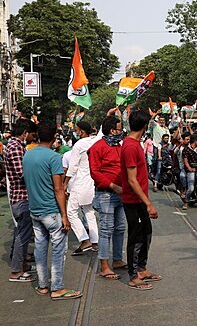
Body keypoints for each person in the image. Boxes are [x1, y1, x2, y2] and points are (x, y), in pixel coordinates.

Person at [23, 120, 83, 300]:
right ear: (55, 136)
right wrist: (65, 216)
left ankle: (43, 285)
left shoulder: (28, 155)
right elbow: (59, 189)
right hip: (51, 211)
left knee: (40, 248)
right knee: (58, 250)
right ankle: (57, 288)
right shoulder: (53, 158)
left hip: (35, 210)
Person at [120, 109, 160, 291]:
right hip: (133, 201)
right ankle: (133, 275)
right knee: (136, 237)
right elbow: (131, 179)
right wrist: (148, 203)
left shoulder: (135, 144)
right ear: (145, 126)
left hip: (140, 200)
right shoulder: (129, 146)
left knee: (146, 233)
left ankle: (142, 269)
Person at [88, 115, 127, 280]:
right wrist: (112, 185)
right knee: (106, 230)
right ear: (112, 130)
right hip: (106, 194)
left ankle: (117, 259)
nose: (121, 132)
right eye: (119, 129)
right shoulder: (97, 147)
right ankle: (104, 266)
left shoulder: (119, 146)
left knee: (120, 228)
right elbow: (95, 173)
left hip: (121, 194)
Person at [5, 119, 37, 283]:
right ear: (25, 133)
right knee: (23, 235)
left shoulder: (14, 146)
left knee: (22, 233)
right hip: (21, 197)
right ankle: (16, 271)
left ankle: (22, 265)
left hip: (21, 197)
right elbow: (22, 174)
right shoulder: (16, 147)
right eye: (30, 134)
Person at [64, 121, 99, 256]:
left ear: (81, 132)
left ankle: (85, 240)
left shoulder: (79, 145)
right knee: (89, 212)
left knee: (71, 212)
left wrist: (65, 183)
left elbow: (72, 168)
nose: (76, 132)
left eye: (77, 130)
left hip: (80, 183)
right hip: (91, 182)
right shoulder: (95, 140)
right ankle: (94, 241)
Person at [182, 133, 197, 210]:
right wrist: (190, 169)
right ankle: (186, 202)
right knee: (191, 188)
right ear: (196, 141)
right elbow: (185, 161)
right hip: (191, 170)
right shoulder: (186, 149)